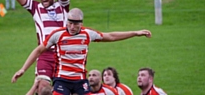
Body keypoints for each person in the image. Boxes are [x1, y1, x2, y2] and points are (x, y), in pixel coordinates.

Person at [11, 8, 152, 95]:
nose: (72, 27)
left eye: (76, 24)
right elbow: (38, 50)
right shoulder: (57, 34)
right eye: (70, 23)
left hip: (80, 80)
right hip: (62, 79)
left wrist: (135, 33)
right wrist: (23, 69)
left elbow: (111, 36)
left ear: (81, 23)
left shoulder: (87, 34)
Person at [12, 0, 70, 94]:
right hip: (44, 54)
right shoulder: (36, 7)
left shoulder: (62, 5)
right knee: (42, 87)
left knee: (62, 90)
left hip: (63, 54)